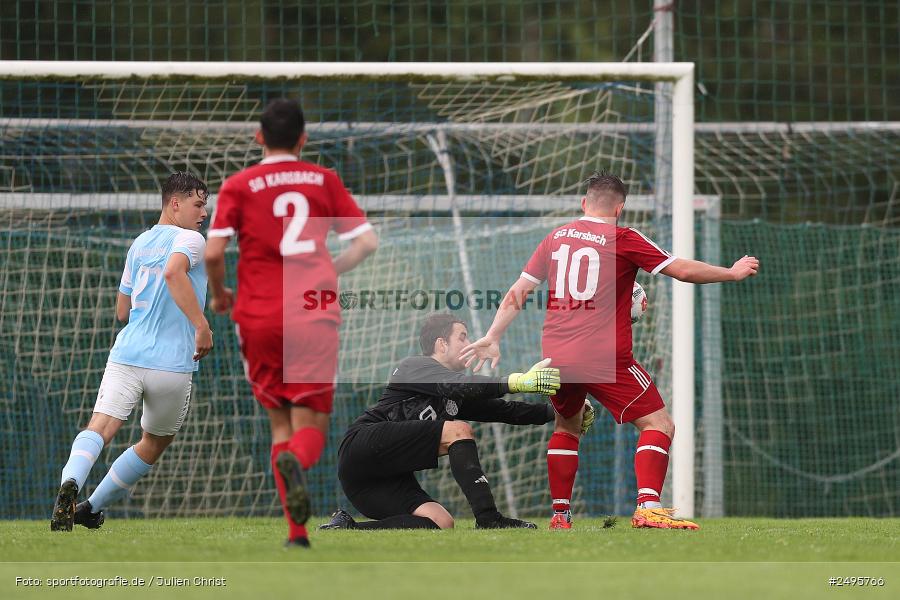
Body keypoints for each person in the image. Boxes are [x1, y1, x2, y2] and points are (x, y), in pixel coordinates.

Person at [461, 172, 759, 530]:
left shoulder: (556, 237)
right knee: (659, 424)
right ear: (620, 208)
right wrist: (731, 272)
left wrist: (493, 335)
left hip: (557, 353)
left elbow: (519, 290)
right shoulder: (624, 237)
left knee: (567, 426)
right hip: (604, 356)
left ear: (583, 203)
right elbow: (680, 270)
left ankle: (560, 516)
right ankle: (648, 506)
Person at [204, 98, 378, 547]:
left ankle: (296, 533)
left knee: (279, 426)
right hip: (312, 312)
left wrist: (220, 295)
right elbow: (366, 243)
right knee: (310, 428)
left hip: (258, 316)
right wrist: (328, 271)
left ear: (258, 137)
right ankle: (297, 464)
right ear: (303, 139)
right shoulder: (323, 180)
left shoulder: (239, 185)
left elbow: (213, 252)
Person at [51, 172, 212, 531]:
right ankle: (90, 506)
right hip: (172, 362)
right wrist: (201, 324)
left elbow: (122, 311)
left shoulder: (139, 244)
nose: (204, 213)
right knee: (155, 442)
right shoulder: (191, 239)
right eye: (198, 204)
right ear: (175, 203)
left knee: (100, 426)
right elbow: (174, 273)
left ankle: (71, 482)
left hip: (127, 354)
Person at [319, 312, 571, 531]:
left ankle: (347, 528)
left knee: (440, 522)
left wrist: (563, 413)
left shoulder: (452, 394)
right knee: (458, 430)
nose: (470, 344)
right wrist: (518, 381)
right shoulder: (414, 366)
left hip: (374, 483)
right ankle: (489, 518)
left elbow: (504, 411)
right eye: (463, 337)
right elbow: (461, 384)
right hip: (360, 449)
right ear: (441, 343)